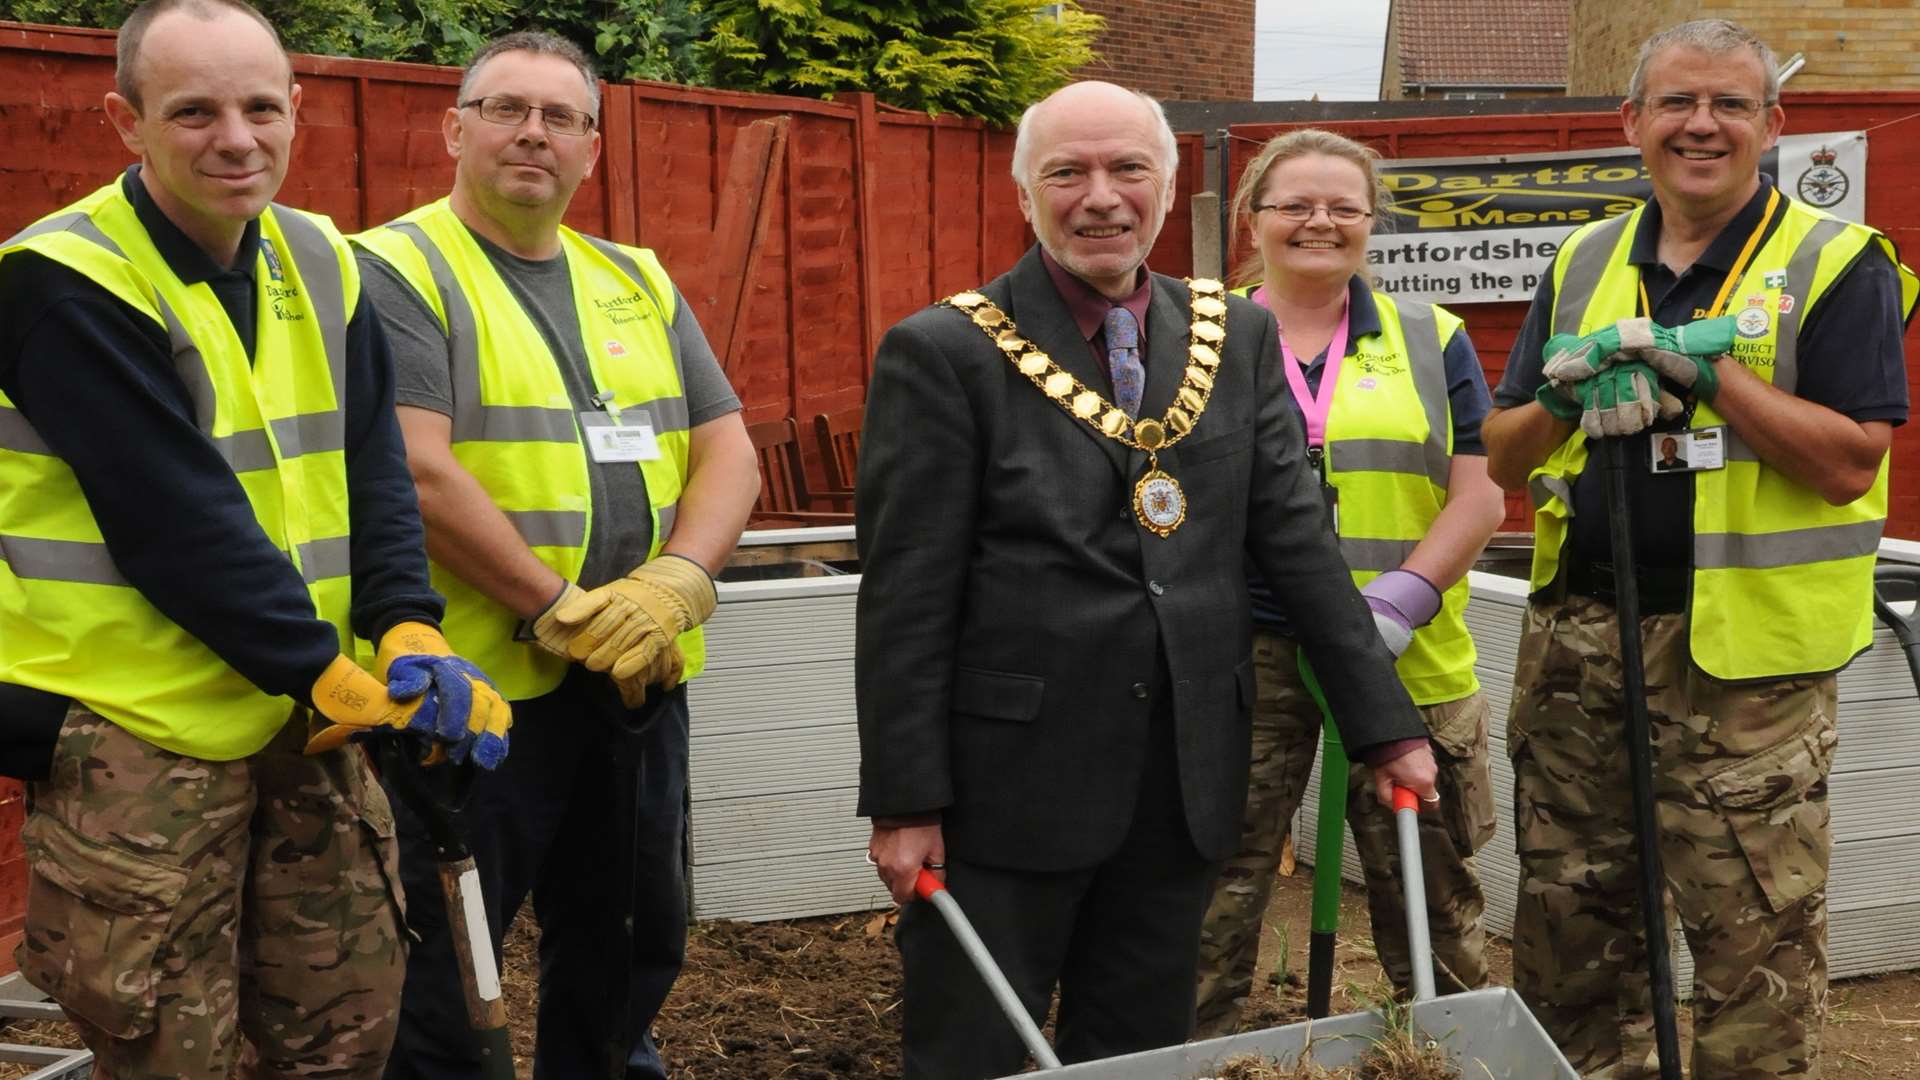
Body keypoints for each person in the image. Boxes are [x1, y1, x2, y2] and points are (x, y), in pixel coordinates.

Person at [855, 81, 1440, 1080]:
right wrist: (905, 802)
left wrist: (1384, 725)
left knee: (1139, 1052)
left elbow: (1293, 540)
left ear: (1169, 188)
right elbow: (908, 595)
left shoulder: (1231, 336)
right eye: (1068, 172)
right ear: (1024, 191)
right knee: (976, 1052)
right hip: (1005, 792)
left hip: (1182, 780)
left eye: (1129, 168)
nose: (1101, 197)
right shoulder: (946, 351)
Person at [0, 0, 515, 1075]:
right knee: (171, 1051)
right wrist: (322, 669)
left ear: (297, 110)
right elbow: (169, 522)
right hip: (136, 737)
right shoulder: (63, 281)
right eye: (192, 111)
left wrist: (406, 623)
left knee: (345, 1029)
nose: (235, 138)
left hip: (304, 711)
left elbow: (370, 464)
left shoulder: (321, 260)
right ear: (123, 121)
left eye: (257, 107)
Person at [1483, 19, 1915, 1078]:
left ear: (1773, 125)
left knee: (1751, 959)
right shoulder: (1584, 258)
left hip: (1748, 681)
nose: (1701, 124)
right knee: (1568, 942)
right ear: (1631, 122)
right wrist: (1565, 394)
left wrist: (1708, 375)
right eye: (1677, 102)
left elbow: (1851, 462)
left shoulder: (1836, 262)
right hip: (1582, 648)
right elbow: (1503, 456)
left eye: (1729, 104)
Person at [351, 31, 759, 1080]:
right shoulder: (395, 269)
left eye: (561, 117)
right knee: (448, 970)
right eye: (504, 109)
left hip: (637, 682)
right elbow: (417, 469)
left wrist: (681, 584)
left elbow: (728, 449)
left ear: (592, 146)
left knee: (632, 940)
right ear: (454, 129)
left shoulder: (636, 278)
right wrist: (560, 609)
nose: (533, 133)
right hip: (471, 703)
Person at [1193, 129, 1507, 1034]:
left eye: (1343, 206)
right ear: (1253, 220)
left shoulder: (1429, 336)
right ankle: (1191, 1054)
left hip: (1405, 653)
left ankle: (1446, 1053)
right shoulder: (1196, 335)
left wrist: (1400, 600)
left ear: (1373, 222)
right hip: (1243, 653)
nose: (1318, 221)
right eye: (1294, 204)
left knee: (1433, 896)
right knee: (1212, 893)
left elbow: (1479, 497)